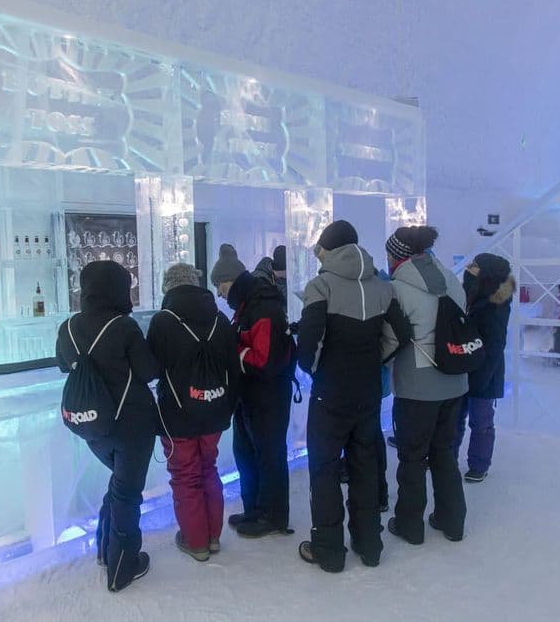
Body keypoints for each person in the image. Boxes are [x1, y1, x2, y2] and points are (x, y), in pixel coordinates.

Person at [294, 221, 396, 572]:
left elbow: (308, 344)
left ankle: (329, 550)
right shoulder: (382, 287)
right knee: (365, 466)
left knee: (323, 470)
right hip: (368, 392)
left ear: (328, 249)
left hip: (331, 395)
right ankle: (370, 545)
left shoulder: (320, 285)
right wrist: (375, 361)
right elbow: (400, 334)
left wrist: (317, 371)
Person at [55, 261, 159, 592]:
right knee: (127, 493)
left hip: (92, 427)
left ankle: (105, 551)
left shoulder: (68, 328)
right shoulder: (124, 327)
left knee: (119, 486)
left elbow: (64, 366)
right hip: (132, 426)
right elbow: (149, 371)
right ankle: (122, 568)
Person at [147, 263, 240, 561]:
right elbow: (232, 367)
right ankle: (212, 537)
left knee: (185, 475)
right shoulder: (220, 318)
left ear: (168, 288)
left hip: (177, 415)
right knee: (209, 470)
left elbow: (151, 368)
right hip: (214, 410)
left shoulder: (163, 321)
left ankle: (195, 541)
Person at [382, 226, 468, 544]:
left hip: (418, 386)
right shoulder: (451, 280)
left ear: (397, 257)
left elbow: (392, 338)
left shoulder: (398, 289)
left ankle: (410, 525)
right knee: (445, 453)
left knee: (413, 458)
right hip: (456, 380)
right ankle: (452, 520)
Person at [210, 243, 295, 538]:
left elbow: (265, 359)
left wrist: (233, 352)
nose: (221, 295)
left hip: (268, 396)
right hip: (252, 396)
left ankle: (273, 515)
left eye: (221, 287)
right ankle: (255, 508)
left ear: (231, 281)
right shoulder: (249, 305)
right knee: (246, 452)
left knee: (269, 454)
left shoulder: (262, 307)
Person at [454, 253, 515, 483]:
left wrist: (480, 378)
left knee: (481, 422)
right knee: (456, 417)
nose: (469, 268)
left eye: (475, 266)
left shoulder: (496, 304)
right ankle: (449, 458)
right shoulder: (477, 293)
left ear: (487, 272)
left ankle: (479, 464)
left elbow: (496, 345)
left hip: (484, 372)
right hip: (465, 365)